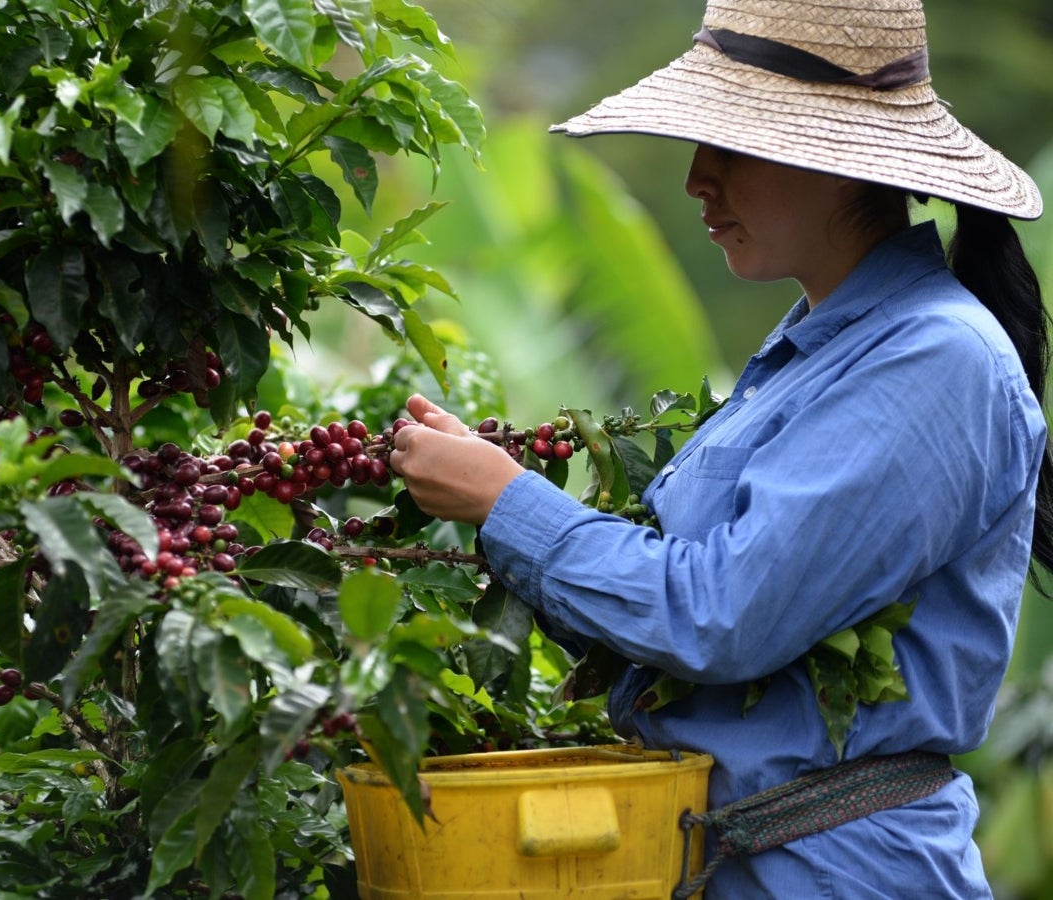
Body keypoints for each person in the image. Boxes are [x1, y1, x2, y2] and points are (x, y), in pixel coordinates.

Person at [389, 0, 1051, 896]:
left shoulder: (936, 360)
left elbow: (722, 616)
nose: (700, 180)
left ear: (838, 160)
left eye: (732, 148)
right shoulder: (811, 350)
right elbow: (674, 605)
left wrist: (508, 502)